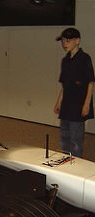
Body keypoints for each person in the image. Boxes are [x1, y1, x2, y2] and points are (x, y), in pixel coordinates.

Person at [54, 27, 95, 158]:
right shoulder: (65, 61)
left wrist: (86, 104)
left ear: (77, 41)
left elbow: (90, 82)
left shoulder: (84, 58)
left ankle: (76, 164)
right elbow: (64, 85)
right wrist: (58, 102)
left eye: (67, 40)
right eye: (63, 41)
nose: (64, 43)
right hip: (66, 104)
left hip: (79, 105)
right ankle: (66, 161)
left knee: (76, 139)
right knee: (64, 137)